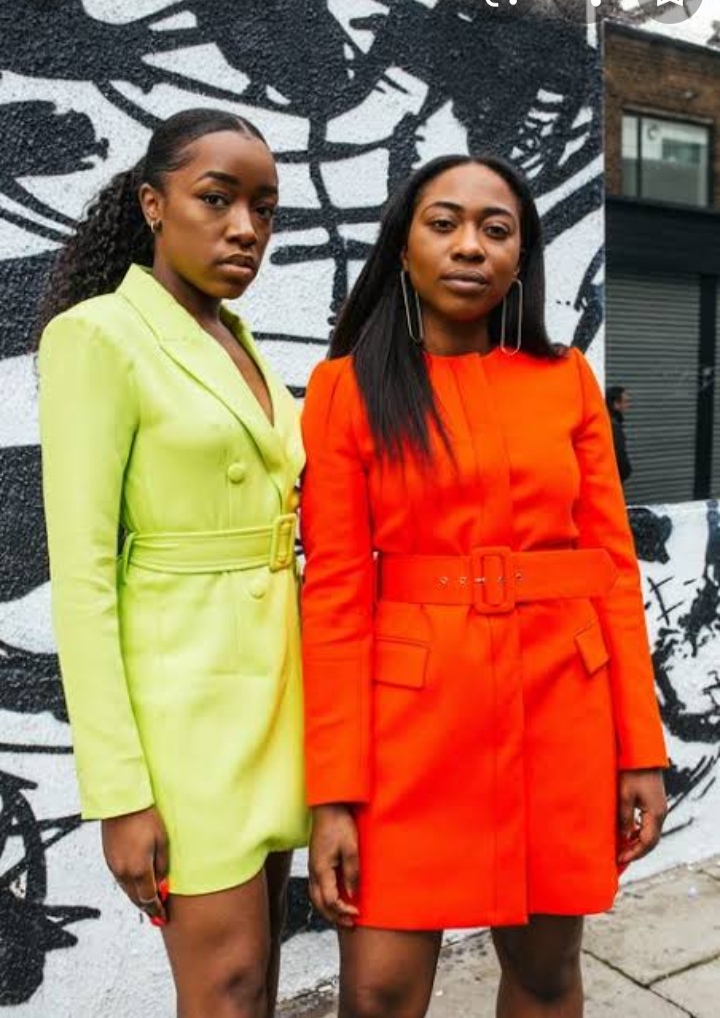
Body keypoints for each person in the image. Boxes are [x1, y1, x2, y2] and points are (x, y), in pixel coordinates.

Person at [299, 154, 668, 1018]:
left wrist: (641, 751)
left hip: (560, 709)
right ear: (403, 248)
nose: (471, 246)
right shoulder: (345, 390)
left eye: (496, 230)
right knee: (378, 993)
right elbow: (335, 598)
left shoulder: (566, 381)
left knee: (546, 974)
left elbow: (613, 569)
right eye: (445, 224)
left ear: (520, 257)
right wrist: (333, 797)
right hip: (411, 731)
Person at [38, 108, 307, 1018]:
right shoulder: (99, 336)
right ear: (153, 204)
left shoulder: (240, 341)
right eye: (217, 199)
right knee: (224, 983)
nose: (246, 228)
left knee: (262, 974)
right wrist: (119, 793)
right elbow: (81, 578)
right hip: (184, 711)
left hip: (278, 690)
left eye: (264, 209)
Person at [606, 385, 633, 484]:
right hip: (612, 479)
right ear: (616, 404)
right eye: (625, 402)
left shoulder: (604, 421)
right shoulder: (613, 427)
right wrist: (626, 472)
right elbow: (619, 454)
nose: (628, 405)